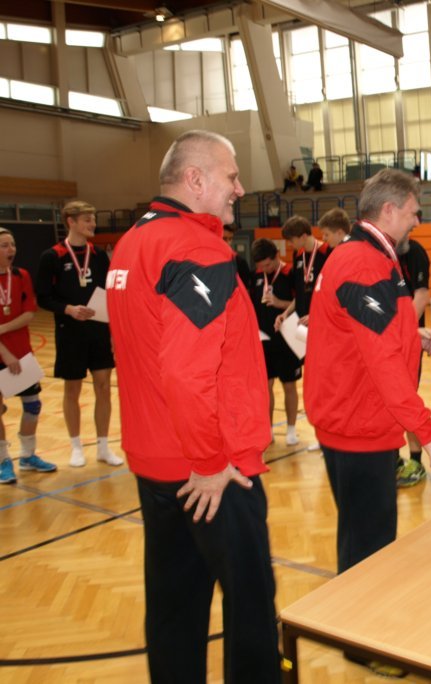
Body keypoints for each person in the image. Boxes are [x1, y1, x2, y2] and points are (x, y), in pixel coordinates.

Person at [106, 130, 280, 683]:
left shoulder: (132, 242)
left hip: (156, 462)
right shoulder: (195, 248)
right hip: (212, 471)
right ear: (195, 179)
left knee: (174, 609)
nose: (241, 188)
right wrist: (208, 462)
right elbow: (186, 371)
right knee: (251, 611)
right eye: (232, 176)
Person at [304, 168, 431, 576]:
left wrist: (410, 335)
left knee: (360, 543)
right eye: (412, 212)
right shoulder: (365, 263)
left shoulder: (359, 255)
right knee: (367, 558)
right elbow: (383, 363)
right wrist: (427, 431)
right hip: (359, 429)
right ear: (389, 210)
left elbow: (360, 333)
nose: (417, 220)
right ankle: (357, 619)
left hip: (354, 421)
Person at [36, 200, 123, 468]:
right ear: (71, 222)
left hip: (98, 330)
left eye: (93, 219)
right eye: (87, 219)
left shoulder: (98, 256)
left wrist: (112, 331)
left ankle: (103, 447)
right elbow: (43, 297)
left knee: (103, 387)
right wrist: (68, 309)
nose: (93, 224)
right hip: (70, 331)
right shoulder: (52, 256)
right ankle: (76, 446)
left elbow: (109, 292)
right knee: (72, 388)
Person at [0, 227, 57, 484]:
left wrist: (2, 329)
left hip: (22, 352)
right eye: (4, 245)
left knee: (33, 405)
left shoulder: (21, 275)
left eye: (12, 244)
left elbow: (29, 313)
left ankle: (27, 455)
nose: (11, 249)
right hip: (3, 354)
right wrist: (5, 354)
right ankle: (3, 461)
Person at [249, 238, 301, 446]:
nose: (265, 269)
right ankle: (267, 430)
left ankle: (291, 430)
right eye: (261, 266)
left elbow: (301, 304)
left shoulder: (290, 273)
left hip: (287, 339)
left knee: (289, 385)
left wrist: (280, 304)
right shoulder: (256, 276)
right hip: (263, 340)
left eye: (268, 265)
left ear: (276, 256)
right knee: (265, 386)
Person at [395, 221, 431, 487]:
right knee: (387, 400)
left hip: (408, 340)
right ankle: (391, 458)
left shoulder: (415, 252)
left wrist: (402, 331)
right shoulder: (379, 254)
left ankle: (416, 461)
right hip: (385, 339)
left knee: (407, 397)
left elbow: (420, 296)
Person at [222, 223, 252, 289]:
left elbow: (245, 290)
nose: (228, 243)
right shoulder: (208, 261)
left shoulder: (240, 262)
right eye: (224, 239)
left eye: (230, 239)